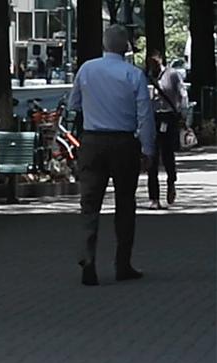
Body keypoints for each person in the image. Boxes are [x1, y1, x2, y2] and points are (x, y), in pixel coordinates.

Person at [69, 24, 154, 286]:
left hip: (92, 141)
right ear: (127, 46)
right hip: (123, 143)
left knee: (89, 204)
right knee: (125, 203)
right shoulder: (134, 75)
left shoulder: (87, 69)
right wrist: (148, 149)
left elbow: (74, 104)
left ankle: (88, 258)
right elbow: (145, 115)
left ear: (104, 45)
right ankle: (122, 263)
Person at [148, 50, 188, 209]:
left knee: (168, 154)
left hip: (169, 117)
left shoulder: (172, 75)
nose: (153, 66)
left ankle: (171, 181)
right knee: (152, 156)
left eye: (155, 63)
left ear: (160, 61)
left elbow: (183, 94)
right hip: (153, 118)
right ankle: (154, 197)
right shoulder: (147, 77)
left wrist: (183, 115)